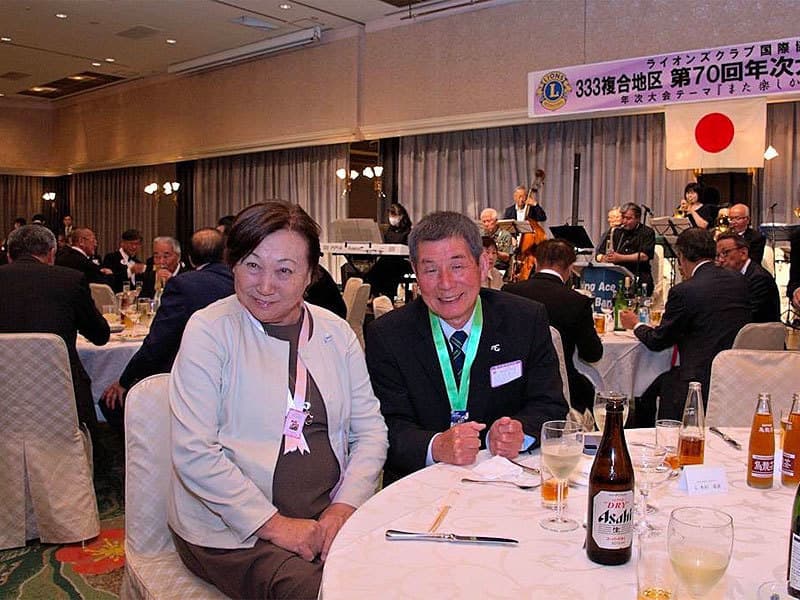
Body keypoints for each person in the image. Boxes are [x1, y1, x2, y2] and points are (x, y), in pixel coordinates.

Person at [168, 201, 387, 600]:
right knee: (328, 592)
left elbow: (370, 432)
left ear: (311, 275)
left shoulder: (335, 332)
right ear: (233, 265)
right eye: (252, 265)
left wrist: (344, 507)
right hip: (235, 532)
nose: (265, 286)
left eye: (284, 270)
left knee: (405, 574)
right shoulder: (210, 331)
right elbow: (194, 452)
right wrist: (274, 525)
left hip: (329, 514)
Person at [365, 211, 566, 483]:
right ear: (416, 272)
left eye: (457, 266)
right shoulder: (387, 335)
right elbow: (383, 427)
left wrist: (521, 432)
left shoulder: (525, 320)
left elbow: (550, 405)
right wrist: (435, 446)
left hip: (506, 482)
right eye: (431, 270)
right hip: (420, 486)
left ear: (482, 265)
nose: (446, 284)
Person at [100, 228, 235, 430]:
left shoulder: (183, 285)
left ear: (188, 258)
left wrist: (124, 381)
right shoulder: (238, 280)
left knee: (111, 400)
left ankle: (150, 445)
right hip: (231, 373)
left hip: (188, 378)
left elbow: (158, 343)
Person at [620, 228, 750, 422]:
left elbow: (658, 341)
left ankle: (645, 432)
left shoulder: (684, 291)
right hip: (735, 372)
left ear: (682, 256)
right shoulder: (740, 281)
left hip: (696, 379)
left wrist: (636, 324)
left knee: (646, 388)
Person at [0, 225, 110, 428]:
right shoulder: (70, 280)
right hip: (60, 392)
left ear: (9, 256)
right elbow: (100, 335)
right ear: (51, 254)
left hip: (4, 390)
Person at [502, 239, 603, 413]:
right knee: (587, 389)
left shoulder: (509, 292)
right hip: (560, 385)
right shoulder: (577, 301)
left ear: (535, 262)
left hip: (513, 381)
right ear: (570, 268)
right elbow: (592, 354)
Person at [715, 232, 780, 323]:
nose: (720, 260)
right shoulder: (730, 276)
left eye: (725, 253)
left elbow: (748, 314)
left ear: (743, 253)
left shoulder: (759, 279)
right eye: (718, 255)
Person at [595, 202, 656, 291]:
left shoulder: (647, 232)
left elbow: (644, 256)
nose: (624, 221)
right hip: (616, 275)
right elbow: (599, 253)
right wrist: (605, 258)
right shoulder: (616, 230)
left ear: (638, 219)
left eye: (628, 218)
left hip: (639, 275)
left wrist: (620, 258)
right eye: (623, 217)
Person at [365, 203, 414, 298]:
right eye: (390, 216)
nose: (391, 218)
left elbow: (408, 250)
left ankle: (386, 295)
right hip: (388, 260)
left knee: (387, 267)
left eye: (394, 215)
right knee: (381, 266)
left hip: (402, 262)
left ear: (401, 216)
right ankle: (375, 292)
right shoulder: (389, 231)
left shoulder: (408, 232)